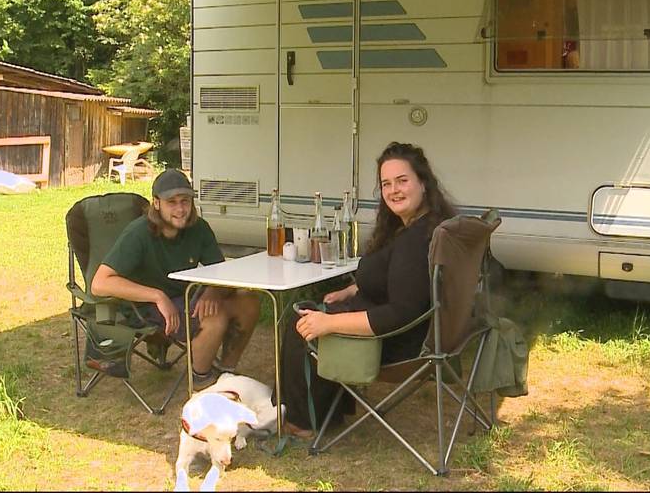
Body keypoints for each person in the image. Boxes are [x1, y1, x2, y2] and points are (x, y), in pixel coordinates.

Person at [278, 142, 459, 438]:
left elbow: (399, 313)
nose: (393, 190)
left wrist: (331, 323)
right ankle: (326, 413)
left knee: (301, 326)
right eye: (386, 183)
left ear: (423, 183)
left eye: (402, 180)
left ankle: (303, 423)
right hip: (416, 330)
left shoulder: (416, 242)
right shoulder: (423, 226)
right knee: (312, 314)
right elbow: (403, 281)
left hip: (397, 343)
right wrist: (351, 291)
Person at [91, 168, 260, 390]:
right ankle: (201, 379)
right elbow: (100, 283)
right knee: (214, 317)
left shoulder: (198, 228)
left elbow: (219, 271)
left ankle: (226, 373)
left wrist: (213, 291)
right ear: (157, 203)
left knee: (249, 300)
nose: (181, 209)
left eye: (185, 201)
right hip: (143, 307)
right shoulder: (138, 233)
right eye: (172, 202)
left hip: (185, 296)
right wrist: (157, 296)